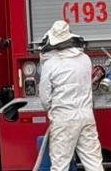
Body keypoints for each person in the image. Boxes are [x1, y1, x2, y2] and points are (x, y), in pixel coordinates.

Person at [38, 21, 103, 171]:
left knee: (60, 165)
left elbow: (45, 98)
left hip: (64, 119)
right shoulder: (85, 59)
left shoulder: (50, 64)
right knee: (94, 163)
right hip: (86, 115)